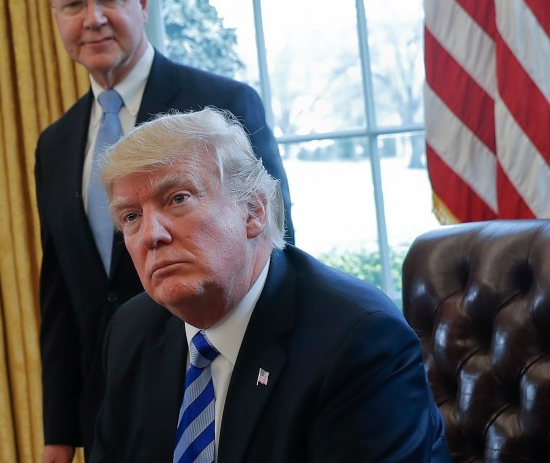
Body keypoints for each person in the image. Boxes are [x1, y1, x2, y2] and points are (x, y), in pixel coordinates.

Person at [35, 0, 294, 462]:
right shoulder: (54, 144)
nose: (94, 18)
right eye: (73, 3)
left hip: (220, 384)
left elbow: (275, 245)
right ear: (56, 15)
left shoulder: (222, 105)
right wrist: (57, 435)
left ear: (143, 0)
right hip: (111, 409)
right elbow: (60, 294)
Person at [90, 109, 451, 462]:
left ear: (254, 211)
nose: (152, 234)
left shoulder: (359, 339)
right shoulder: (131, 331)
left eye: (178, 199)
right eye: (131, 216)